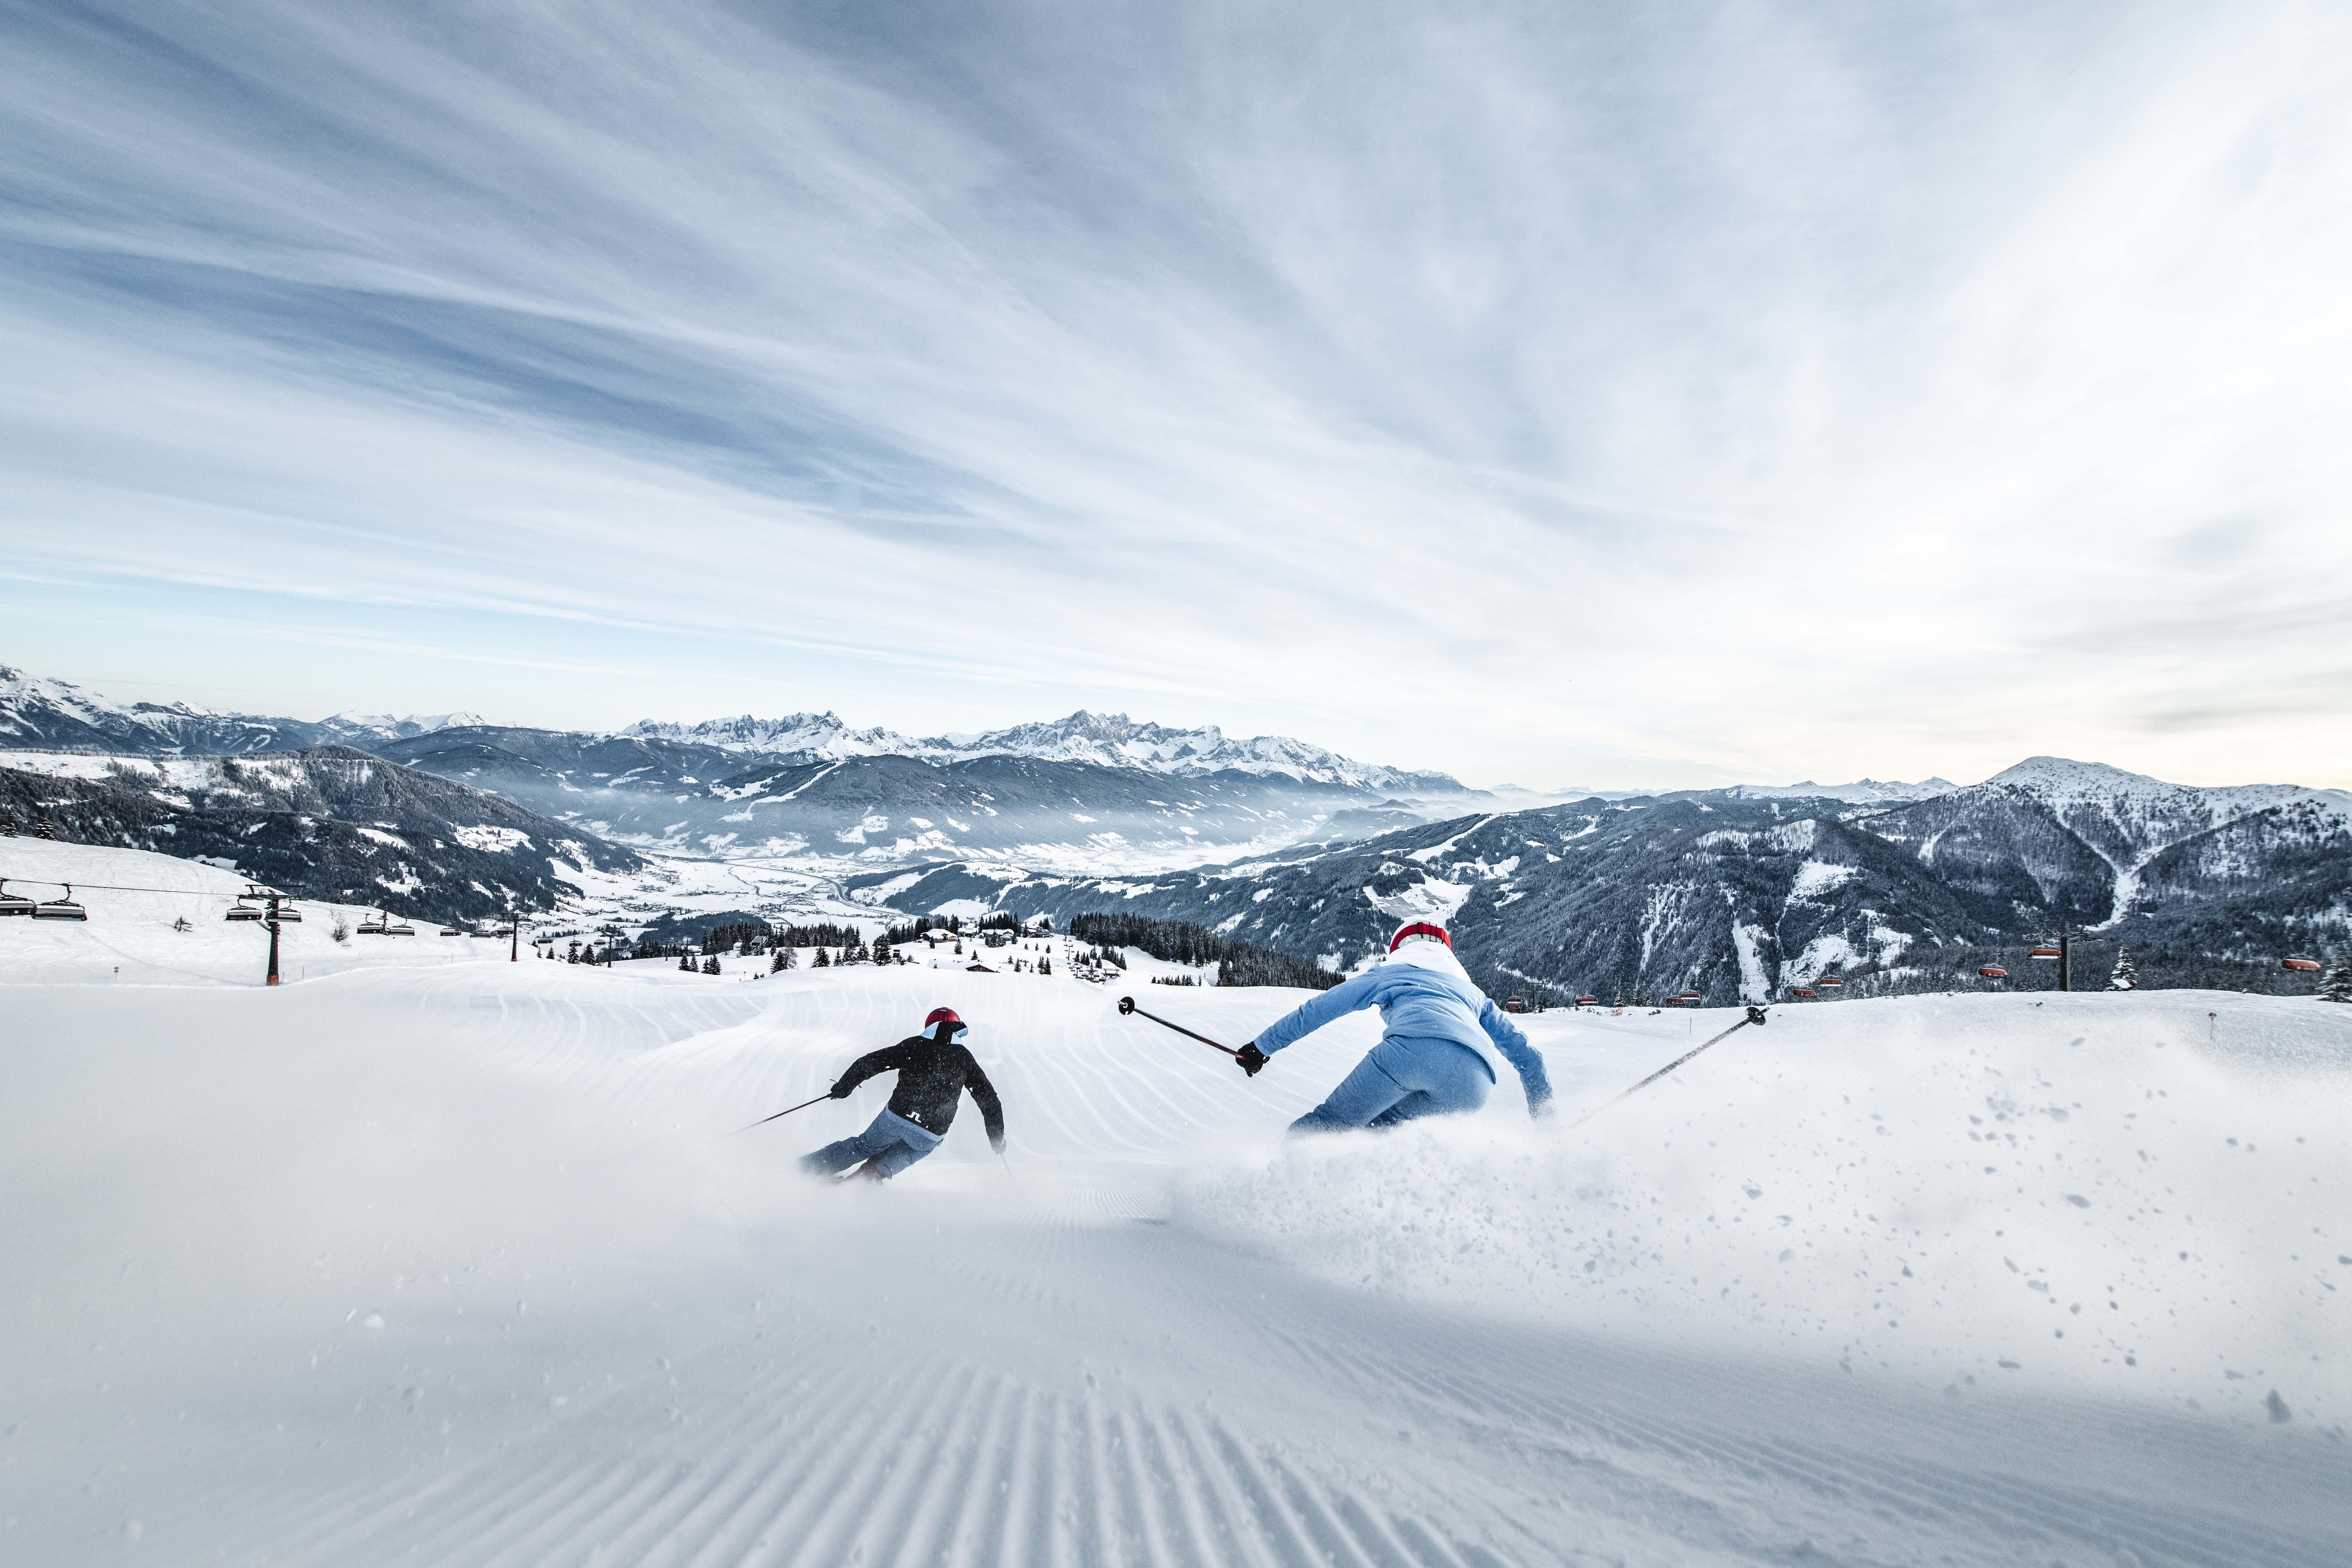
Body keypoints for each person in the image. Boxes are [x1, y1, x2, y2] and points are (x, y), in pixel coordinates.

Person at [1235, 920, 1552, 1132]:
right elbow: (1530, 1059)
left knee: (1329, 1127)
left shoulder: (1388, 973)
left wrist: (1262, 1047)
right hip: (1476, 1082)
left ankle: (1270, 1193)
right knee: (1378, 1131)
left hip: (1411, 1052)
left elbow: (1318, 1009)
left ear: (1398, 948)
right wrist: (1547, 1128)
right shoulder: (1474, 994)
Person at [800, 1007, 1006, 1181]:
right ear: (958, 1029)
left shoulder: (915, 1045)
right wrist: (997, 1140)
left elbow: (871, 1062)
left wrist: (844, 1087)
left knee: (863, 1146)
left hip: (898, 1116)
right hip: (933, 1129)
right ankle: (865, 1181)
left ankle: (807, 1170)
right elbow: (989, 1101)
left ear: (929, 1025)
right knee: (911, 1151)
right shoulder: (965, 1058)